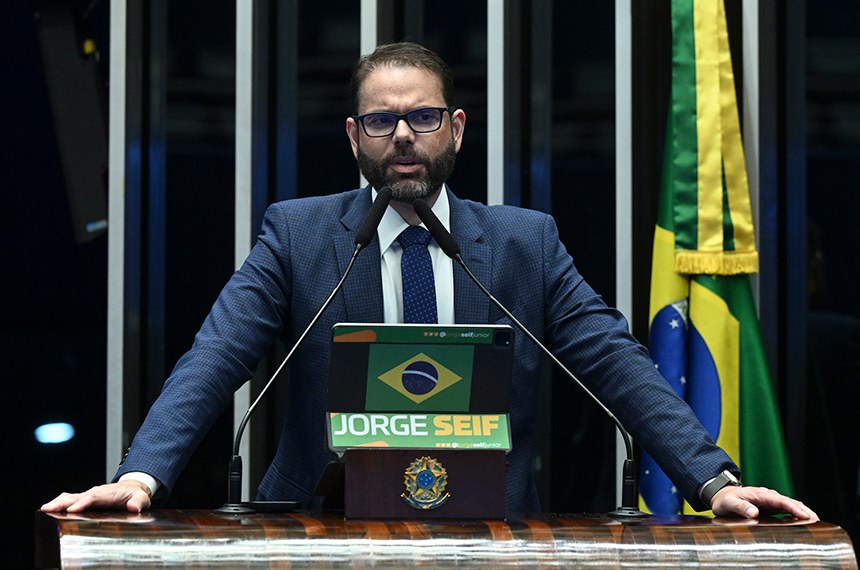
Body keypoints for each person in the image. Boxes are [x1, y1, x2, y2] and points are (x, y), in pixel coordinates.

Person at [42, 42, 817, 521]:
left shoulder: (526, 243)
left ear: (457, 128)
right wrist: (142, 474)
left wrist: (711, 479)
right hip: (318, 526)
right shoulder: (299, 234)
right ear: (354, 136)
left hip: (492, 531)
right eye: (382, 121)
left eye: (422, 116)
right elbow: (214, 359)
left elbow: (617, 365)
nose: (403, 135)